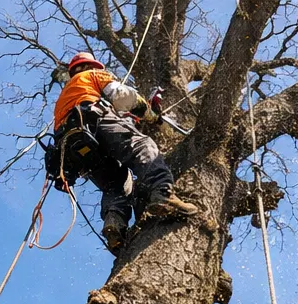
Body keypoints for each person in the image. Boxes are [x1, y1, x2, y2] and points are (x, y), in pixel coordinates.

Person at [53, 52, 197, 252]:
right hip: (96, 121)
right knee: (142, 146)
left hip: (73, 146)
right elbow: (120, 94)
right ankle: (163, 194)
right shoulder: (93, 75)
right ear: (90, 66)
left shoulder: (65, 96)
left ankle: (115, 226)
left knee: (115, 183)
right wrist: (147, 111)